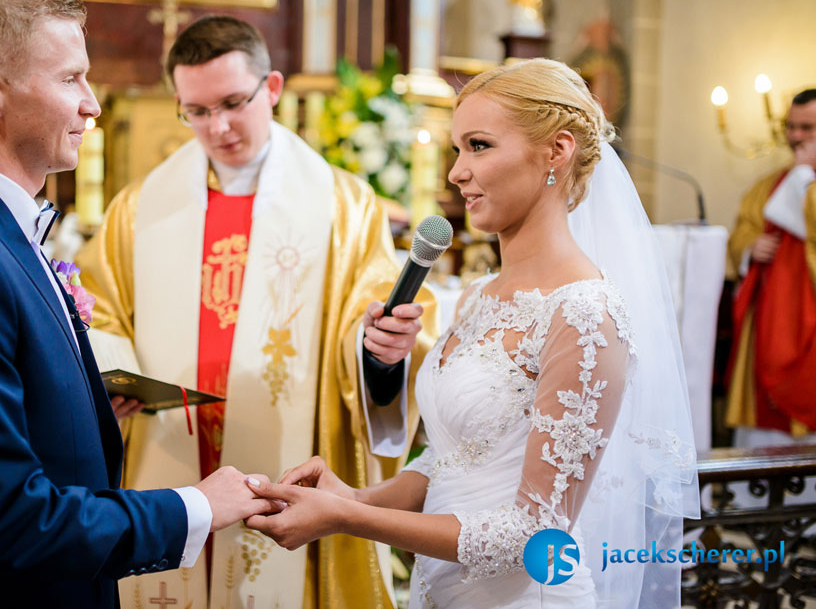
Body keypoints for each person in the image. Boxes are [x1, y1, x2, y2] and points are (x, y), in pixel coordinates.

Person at [0, 0, 274, 609]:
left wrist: (77, 415)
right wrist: (194, 506)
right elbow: (3, 518)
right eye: (70, 78)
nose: (92, 104)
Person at [244, 59, 699, 608]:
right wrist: (357, 494)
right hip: (442, 591)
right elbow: (452, 458)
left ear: (557, 151)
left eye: (478, 146)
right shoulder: (481, 296)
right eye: (458, 149)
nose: (456, 172)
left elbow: (536, 534)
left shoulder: (585, 315)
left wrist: (350, 517)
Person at [75, 15, 438, 608]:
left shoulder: (343, 208)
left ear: (271, 88)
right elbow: (100, 313)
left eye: (232, 103)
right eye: (195, 110)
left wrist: (378, 350)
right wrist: (114, 376)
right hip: (172, 454)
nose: (216, 126)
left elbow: (364, 328)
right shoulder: (138, 210)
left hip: (286, 460)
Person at [726, 89, 816, 446]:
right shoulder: (769, 184)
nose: (794, 136)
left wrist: (804, 181)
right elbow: (743, 229)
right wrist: (748, 248)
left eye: (807, 127)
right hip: (771, 320)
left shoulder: (796, 178)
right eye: (790, 126)